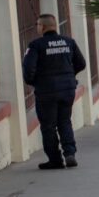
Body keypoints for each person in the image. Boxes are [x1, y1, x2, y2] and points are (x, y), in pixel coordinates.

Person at [22, 13, 86, 170]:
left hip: (46, 91)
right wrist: (69, 76)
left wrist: (34, 82)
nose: (37, 27)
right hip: (67, 90)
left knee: (48, 126)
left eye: (37, 24)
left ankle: (55, 159)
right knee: (65, 121)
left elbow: (28, 70)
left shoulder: (36, 45)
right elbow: (81, 63)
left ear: (42, 27)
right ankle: (70, 154)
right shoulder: (69, 42)